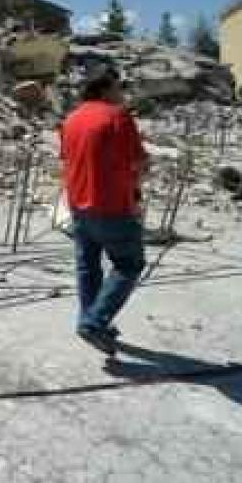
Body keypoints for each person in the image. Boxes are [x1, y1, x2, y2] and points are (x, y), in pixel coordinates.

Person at [59, 66, 148, 355]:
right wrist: (137, 185)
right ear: (106, 88)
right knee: (129, 265)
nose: (122, 93)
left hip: (78, 203)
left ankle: (91, 321)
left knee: (88, 266)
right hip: (112, 205)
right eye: (119, 87)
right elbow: (138, 161)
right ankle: (95, 323)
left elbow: (69, 158)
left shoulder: (71, 119)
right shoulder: (117, 116)